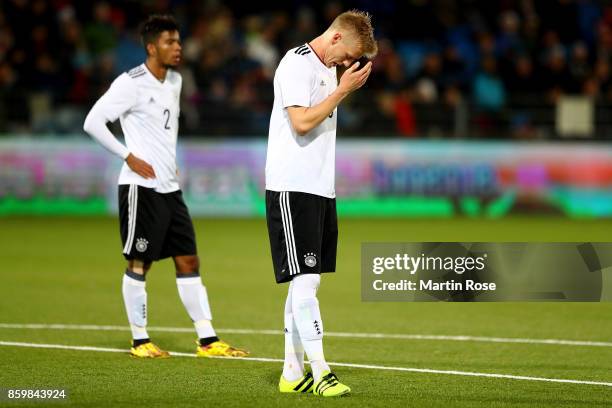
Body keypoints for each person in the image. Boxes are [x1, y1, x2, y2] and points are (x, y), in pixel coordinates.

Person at [83, 14, 248, 359]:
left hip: (170, 189)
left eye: (178, 41)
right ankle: (140, 339)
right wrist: (127, 156)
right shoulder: (131, 83)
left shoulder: (175, 80)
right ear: (151, 47)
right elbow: (93, 122)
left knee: (188, 260)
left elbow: (162, 130)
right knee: (139, 262)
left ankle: (207, 339)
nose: (178, 47)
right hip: (140, 188)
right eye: (170, 42)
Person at [265, 9, 377, 397]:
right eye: (349, 54)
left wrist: (340, 86)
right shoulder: (296, 65)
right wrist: (343, 89)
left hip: (318, 189)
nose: (349, 64)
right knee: (307, 280)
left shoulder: (329, 69)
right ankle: (321, 371)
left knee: (303, 281)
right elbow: (300, 122)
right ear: (335, 38)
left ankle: (292, 373)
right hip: (291, 186)